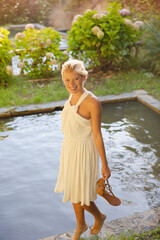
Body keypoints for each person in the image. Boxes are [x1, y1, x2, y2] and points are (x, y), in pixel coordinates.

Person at [54, 59, 111, 240]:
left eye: (76, 79)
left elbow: (97, 136)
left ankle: (99, 217)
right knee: (72, 190)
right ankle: (81, 226)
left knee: (81, 195)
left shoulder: (93, 102)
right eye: (67, 80)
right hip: (69, 148)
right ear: (63, 80)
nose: (72, 84)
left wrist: (105, 165)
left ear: (84, 77)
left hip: (84, 151)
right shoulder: (71, 95)